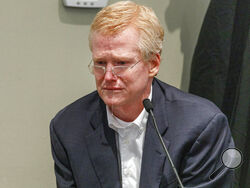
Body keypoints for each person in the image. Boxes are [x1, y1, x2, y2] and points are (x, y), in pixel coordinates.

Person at [50, 1, 235, 187]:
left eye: (121, 63)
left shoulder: (202, 126)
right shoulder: (68, 128)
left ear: (153, 64)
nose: (107, 76)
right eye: (100, 63)